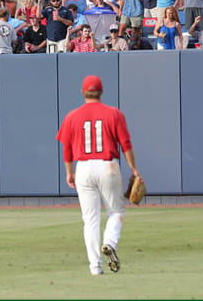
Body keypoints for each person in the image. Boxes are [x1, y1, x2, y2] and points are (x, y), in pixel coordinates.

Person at [56, 75, 139, 276]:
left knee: (90, 220)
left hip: (83, 168)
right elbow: (126, 144)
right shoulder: (114, 113)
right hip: (107, 166)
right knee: (116, 211)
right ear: (102, 91)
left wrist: (69, 172)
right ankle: (109, 242)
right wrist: (133, 168)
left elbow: (67, 148)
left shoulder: (72, 116)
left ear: (83, 92)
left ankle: (95, 267)